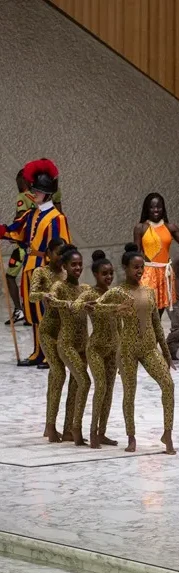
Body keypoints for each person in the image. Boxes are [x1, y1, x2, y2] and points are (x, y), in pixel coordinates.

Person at [91, 244, 176, 455]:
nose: (139, 271)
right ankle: (131, 436)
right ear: (125, 268)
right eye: (135, 267)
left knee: (168, 384)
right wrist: (115, 308)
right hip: (127, 349)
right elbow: (94, 305)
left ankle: (168, 433)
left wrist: (166, 354)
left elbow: (156, 324)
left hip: (148, 347)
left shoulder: (149, 291)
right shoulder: (117, 292)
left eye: (141, 268)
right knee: (129, 393)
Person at [0, 159, 71, 366]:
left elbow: (61, 248)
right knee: (33, 312)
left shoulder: (57, 218)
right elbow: (16, 230)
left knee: (48, 313)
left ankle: (53, 354)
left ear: (46, 193)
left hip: (47, 269)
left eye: (36, 191)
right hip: (30, 267)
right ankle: (38, 352)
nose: (33, 193)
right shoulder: (33, 214)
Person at [45, 246, 92, 446]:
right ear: (64, 266)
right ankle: (57, 425)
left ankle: (67, 429)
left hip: (83, 344)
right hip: (66, 343)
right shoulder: (59, 287)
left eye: (80, 264)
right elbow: (52, 299)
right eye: (73, 264)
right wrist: (54, 300)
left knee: (76, 385)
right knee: (83, 381)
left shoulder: (84, 289)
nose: (78, 268)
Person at [75, 251, 119, 448]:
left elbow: (120, 325)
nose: (108, 277)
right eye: (104, 274)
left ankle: (102, 432)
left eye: (110, 273)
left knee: (109, 390)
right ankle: (92, 432)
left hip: (113, 348)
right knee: (100, 387)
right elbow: (74, 306)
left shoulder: (114, 293)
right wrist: (85, 305)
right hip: (96, 348)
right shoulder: (90, 293)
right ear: (95, 274)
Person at [30, 239, 73, 441]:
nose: (60, 256)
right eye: (57, 252)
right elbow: (31, 295)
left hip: (67, 330)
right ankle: (50, 425)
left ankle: (69, 426)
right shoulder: (41, 272)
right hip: (49, 330)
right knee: (58, 373)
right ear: (49, 253)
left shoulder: (66, 272)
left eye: (63, 252)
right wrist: (44, 294)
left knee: (73, 375)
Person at [134, 193, 179, 315]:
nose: (156, 210)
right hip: (147, 273)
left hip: (165, 273)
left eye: (159, 207)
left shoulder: (170, 227)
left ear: (163, 208)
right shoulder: (141, 227)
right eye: (152, 207)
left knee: (159, 312)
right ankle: (147, 334)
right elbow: (135, 254)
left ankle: (156, 333)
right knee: (148, 310)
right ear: (147, 209)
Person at [5, 170, 36, 324]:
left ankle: (20, 311)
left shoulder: (22, 197)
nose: (17, 184)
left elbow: (20, 219)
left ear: (24, 180)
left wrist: (10, 232)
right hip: (36, 247)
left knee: (10, 276)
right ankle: (30, 311)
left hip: (22, 248)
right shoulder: (39, 197)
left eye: (18, 181)